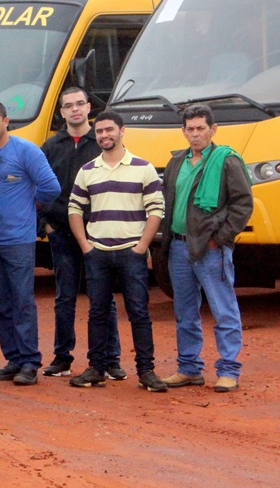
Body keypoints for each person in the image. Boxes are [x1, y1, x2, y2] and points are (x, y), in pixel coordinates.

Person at [68, 111, 168, 392]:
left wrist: (141, 247)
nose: (104, 136)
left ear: (122, 131)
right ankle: (96, 369)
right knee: (97, 313)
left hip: (131, 253)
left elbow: (156, 209)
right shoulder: (88, 170)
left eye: (109, 130)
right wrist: (86, 245)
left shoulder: (143, 168)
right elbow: (74, 208)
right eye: (99, 131)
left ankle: (146, 371)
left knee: (138, 311)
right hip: (97, 252)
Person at [161, 104, 253, 393]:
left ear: (213, 130)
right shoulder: (177, 162)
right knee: (185, 310)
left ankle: (228, 370)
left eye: (201, 128)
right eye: (190, 128)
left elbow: (242, 204)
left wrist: (221, 237)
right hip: (178, 246)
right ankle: (189, 368)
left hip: (211, 248)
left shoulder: (226, 161)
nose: (195, 133)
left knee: (223, 309)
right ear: (183, 131)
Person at [0, 100, 60, 386]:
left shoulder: (25, 151)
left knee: (22, 301)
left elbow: (51, 187)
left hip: (19, 240)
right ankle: (13, 359)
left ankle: (30, 362)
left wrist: (29, 207)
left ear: (6, 121)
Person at [38, 88, 124, 380]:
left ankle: (110, 360)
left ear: (89, 107)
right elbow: (35, 188)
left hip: (98, 234)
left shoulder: (102, 143)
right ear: (61, 112)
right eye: (68, 106)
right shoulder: (50, 146)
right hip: (61, 233)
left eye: (79, 104)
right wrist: (45, 225)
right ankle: (62, 358)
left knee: (104, 298)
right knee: (65, 297)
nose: (74, 110)